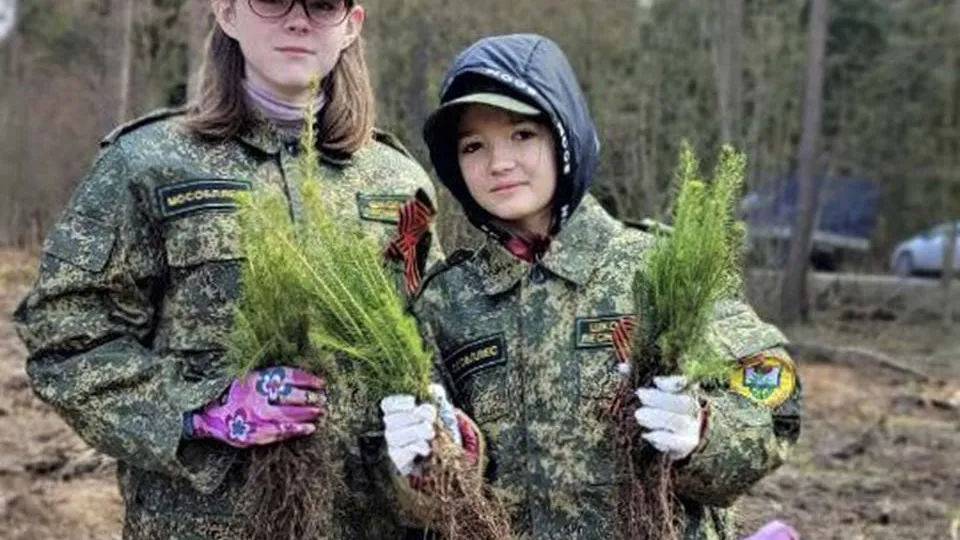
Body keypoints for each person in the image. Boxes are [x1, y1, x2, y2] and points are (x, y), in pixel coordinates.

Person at [14, 1, 439, 538]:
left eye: (323, 4)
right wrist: (202, 410)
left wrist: (447, 433)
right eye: (270, 0)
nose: (297, 19)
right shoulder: (149, 163)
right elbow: (65, 340)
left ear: (351, 25)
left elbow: (435, 342)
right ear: (228, 14)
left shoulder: (400, 182)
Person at [381, 34, 802, 540]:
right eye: (474, 146)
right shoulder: (448, 302)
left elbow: (771, 393)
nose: (498, 163)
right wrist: (440, 461)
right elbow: (415, 491)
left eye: (522, 135)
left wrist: (704, 433)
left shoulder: (655, 265)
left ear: (565, 136)